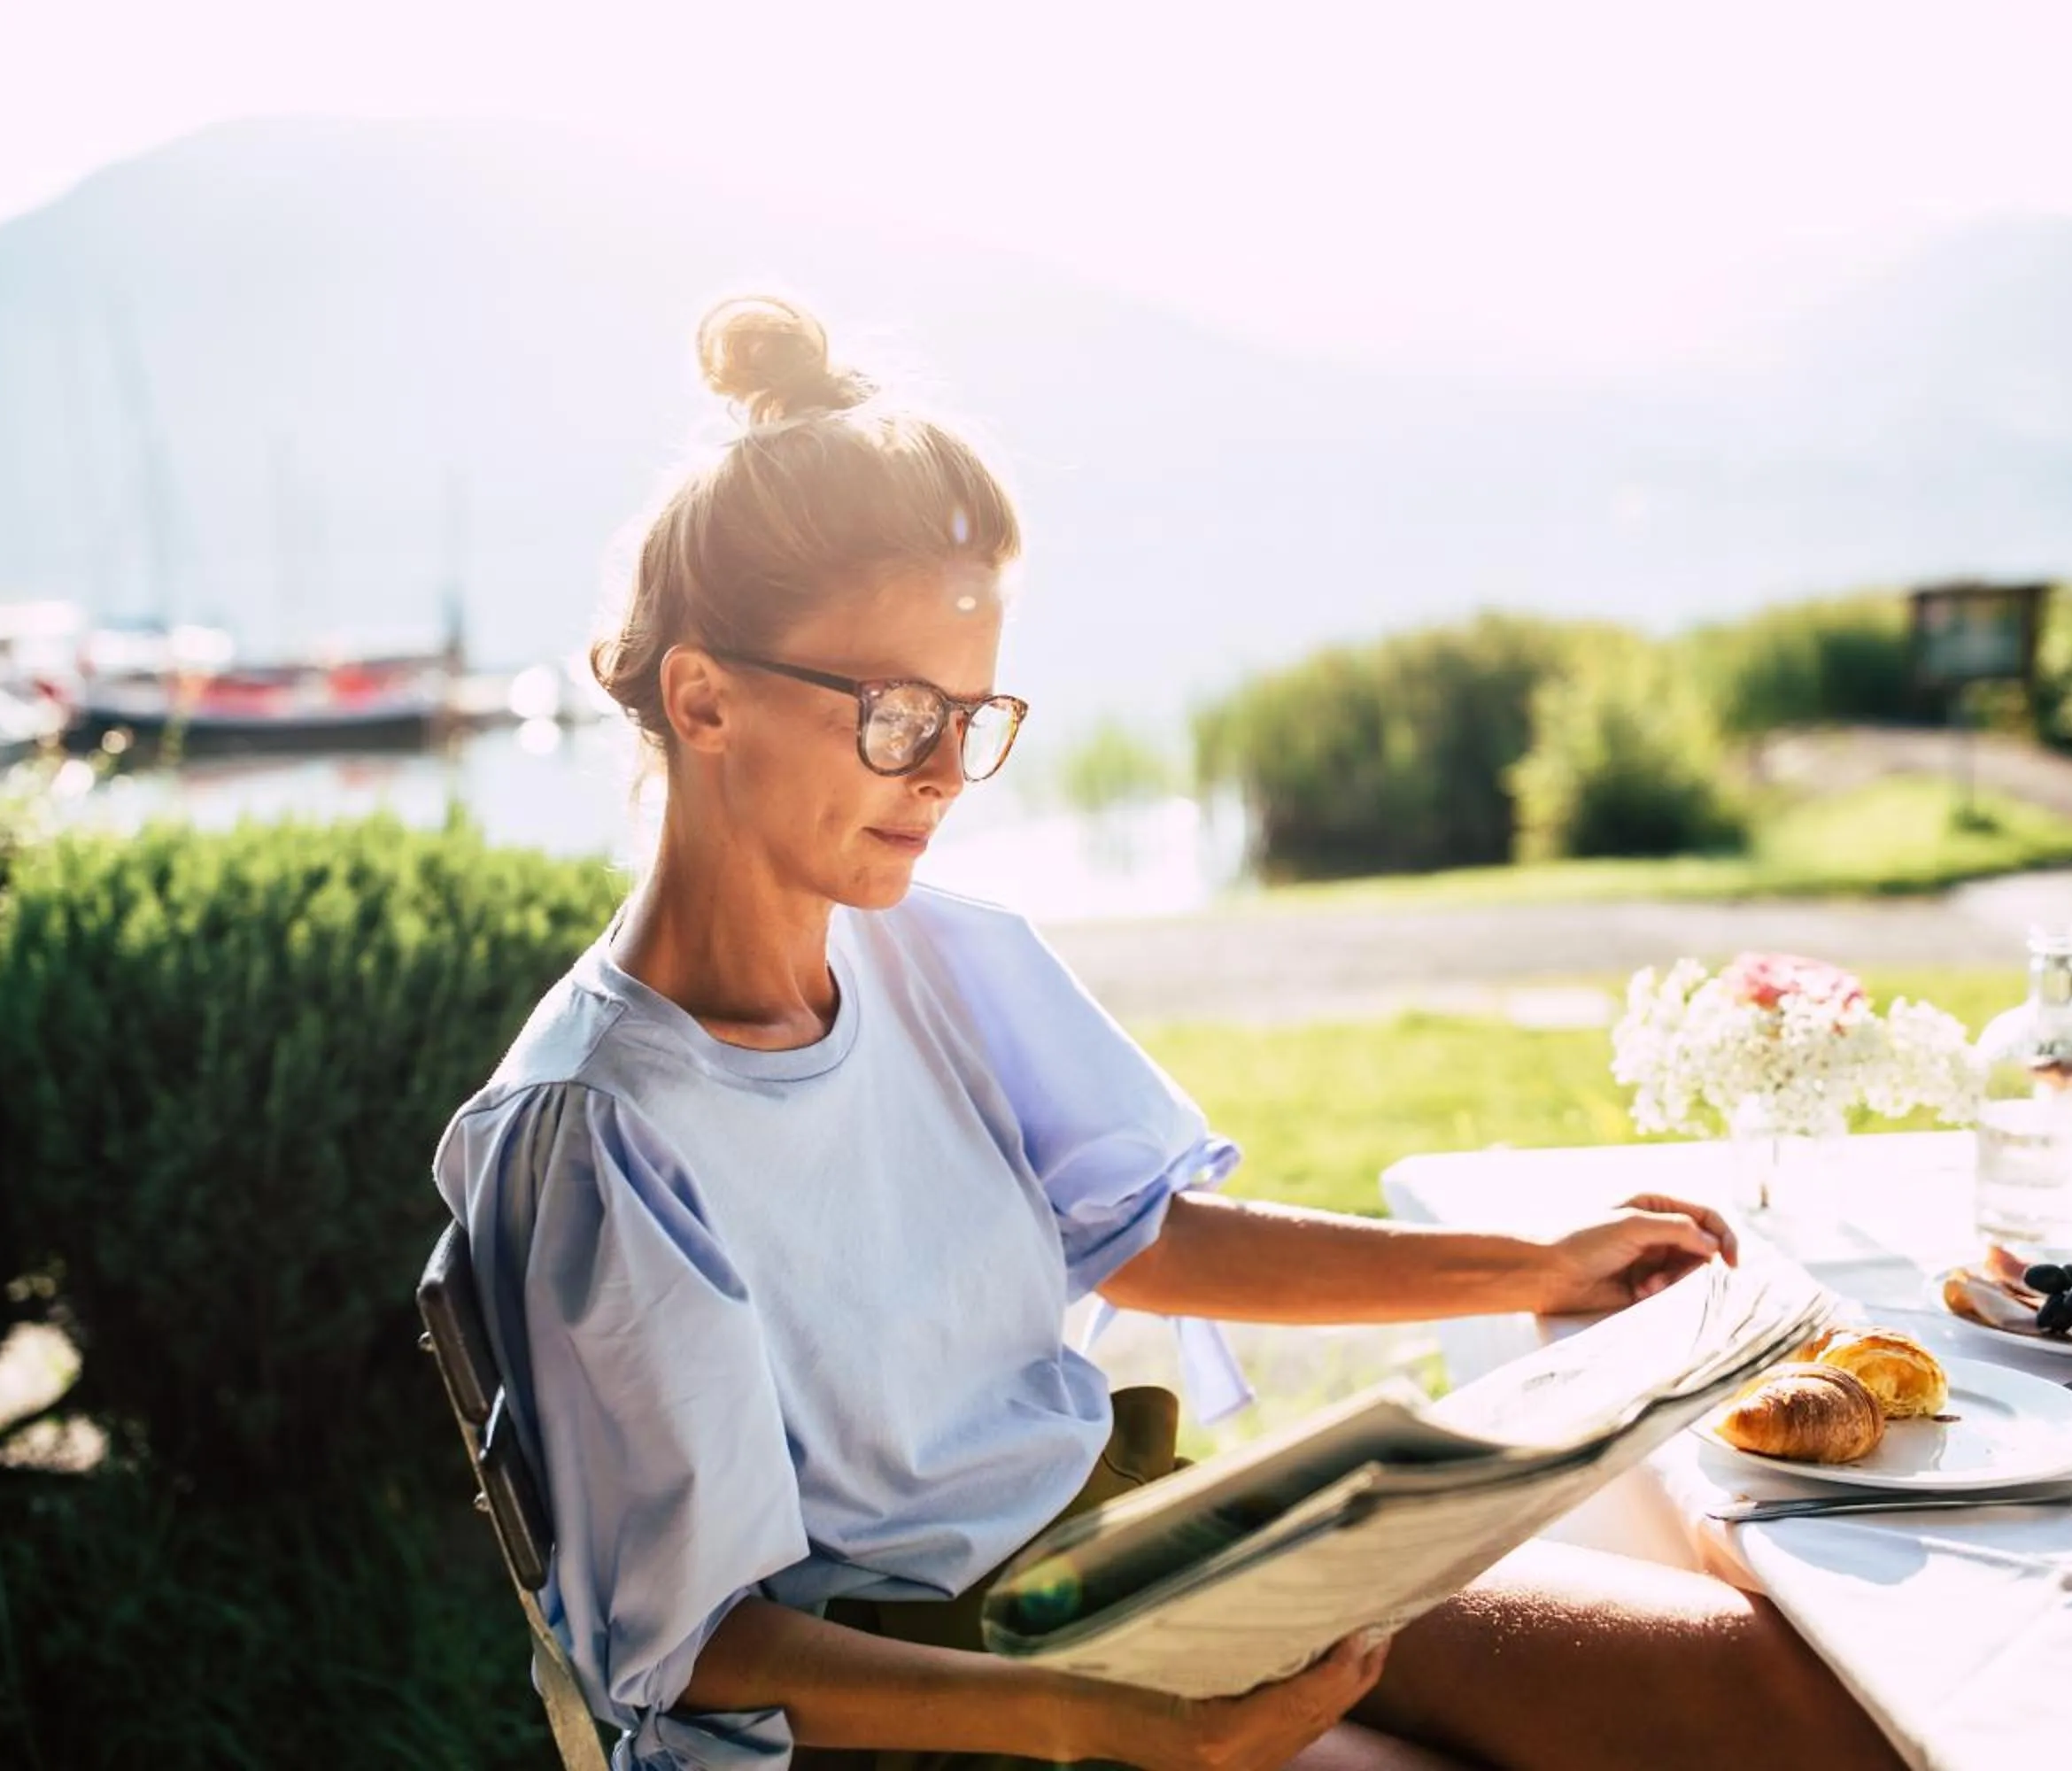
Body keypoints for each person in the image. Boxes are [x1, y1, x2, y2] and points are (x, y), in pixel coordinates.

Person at [432, 297, 1904, 1771]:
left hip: (1124, 1570)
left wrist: (1536, 1264)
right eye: (893, 715)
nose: (947, 774)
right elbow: (699, 1646)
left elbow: (1151, 1236)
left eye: (971, 714)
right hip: (925, 1704)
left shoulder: (939, 956)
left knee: (1773, 1694)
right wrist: (1107, 1724)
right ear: (702, 700)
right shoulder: (601, 1129)